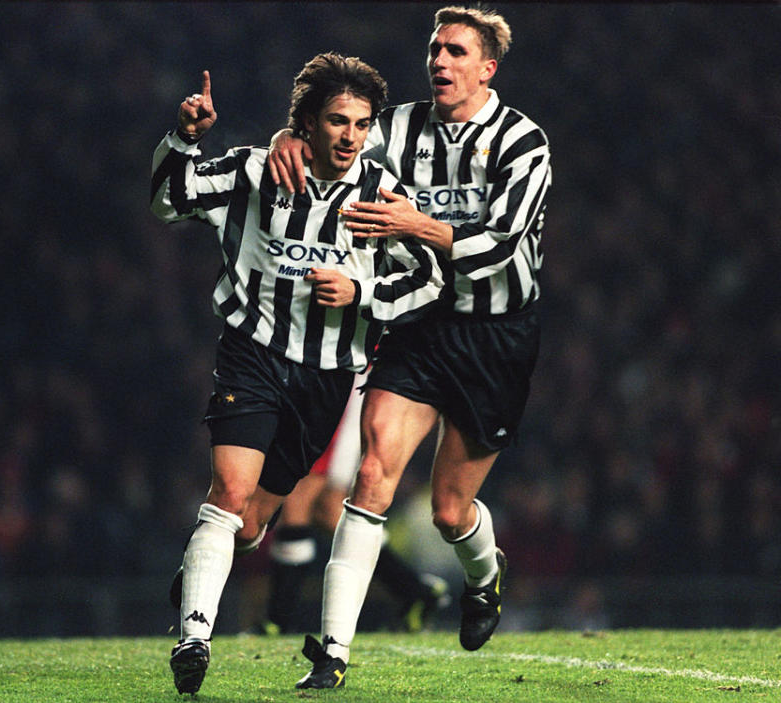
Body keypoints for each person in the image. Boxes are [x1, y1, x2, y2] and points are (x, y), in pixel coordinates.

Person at [268, 6, 552, 689]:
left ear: (487, 68)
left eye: (456, 51)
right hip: (419, 324)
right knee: (370, 474)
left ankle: (484, 579)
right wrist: (288, 136)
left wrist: (414, 222)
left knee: (451, 510)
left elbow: (499, 246)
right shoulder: (398, 128)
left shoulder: (523, 141)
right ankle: (333, 651)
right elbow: (337, 142)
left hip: (496, 335)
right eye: (435, 49)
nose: (441, 62)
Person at [150, 53, 443, 695]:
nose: (350, 136)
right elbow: (170, 202)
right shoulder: (258, 171)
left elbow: (428, 279)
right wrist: (186, 138)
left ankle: (205, 567)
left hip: (328, 377)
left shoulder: (382, 196)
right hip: (252, 354)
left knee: (251, 525)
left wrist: (361, 291)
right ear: (307, 123)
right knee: (228, 492)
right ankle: (194, 639)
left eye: (362, 124)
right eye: (338, 121)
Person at [260, 368, 450, 636]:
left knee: (301, 494)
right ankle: (415, 590)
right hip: (323, 372)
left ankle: (277, 621)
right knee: (327, 510)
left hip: (344, 373)